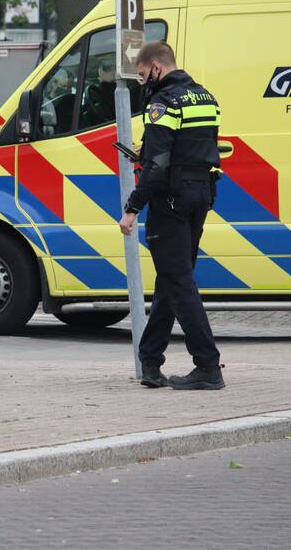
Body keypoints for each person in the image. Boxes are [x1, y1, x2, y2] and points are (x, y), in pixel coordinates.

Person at [118, 41, 224, 390]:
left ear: (156, 67)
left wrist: (132, 207)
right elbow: (196, 147)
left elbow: (158, 165)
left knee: (178, 280)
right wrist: (150, 150)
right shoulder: (206, 98)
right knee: (172, 276)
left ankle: (208, 366)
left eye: (143, 74)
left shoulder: (163, 103)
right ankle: (150, 360)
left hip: (173, 201)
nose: (143, 81)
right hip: (200, 195)